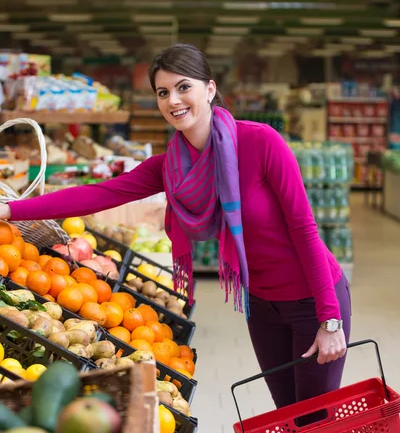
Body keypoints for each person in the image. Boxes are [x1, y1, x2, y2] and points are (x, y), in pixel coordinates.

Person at [0, 44, 350, 410]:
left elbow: (304, 229)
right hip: (261, 305)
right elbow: (96, 195)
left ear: (210, 89)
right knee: (288, 419)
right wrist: (10, 210)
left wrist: (329, 319)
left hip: (314, 299)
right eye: (163, 92)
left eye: (184, 87)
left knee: (317, 425)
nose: (174, 100)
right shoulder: (169, 168)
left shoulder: (260, 142)